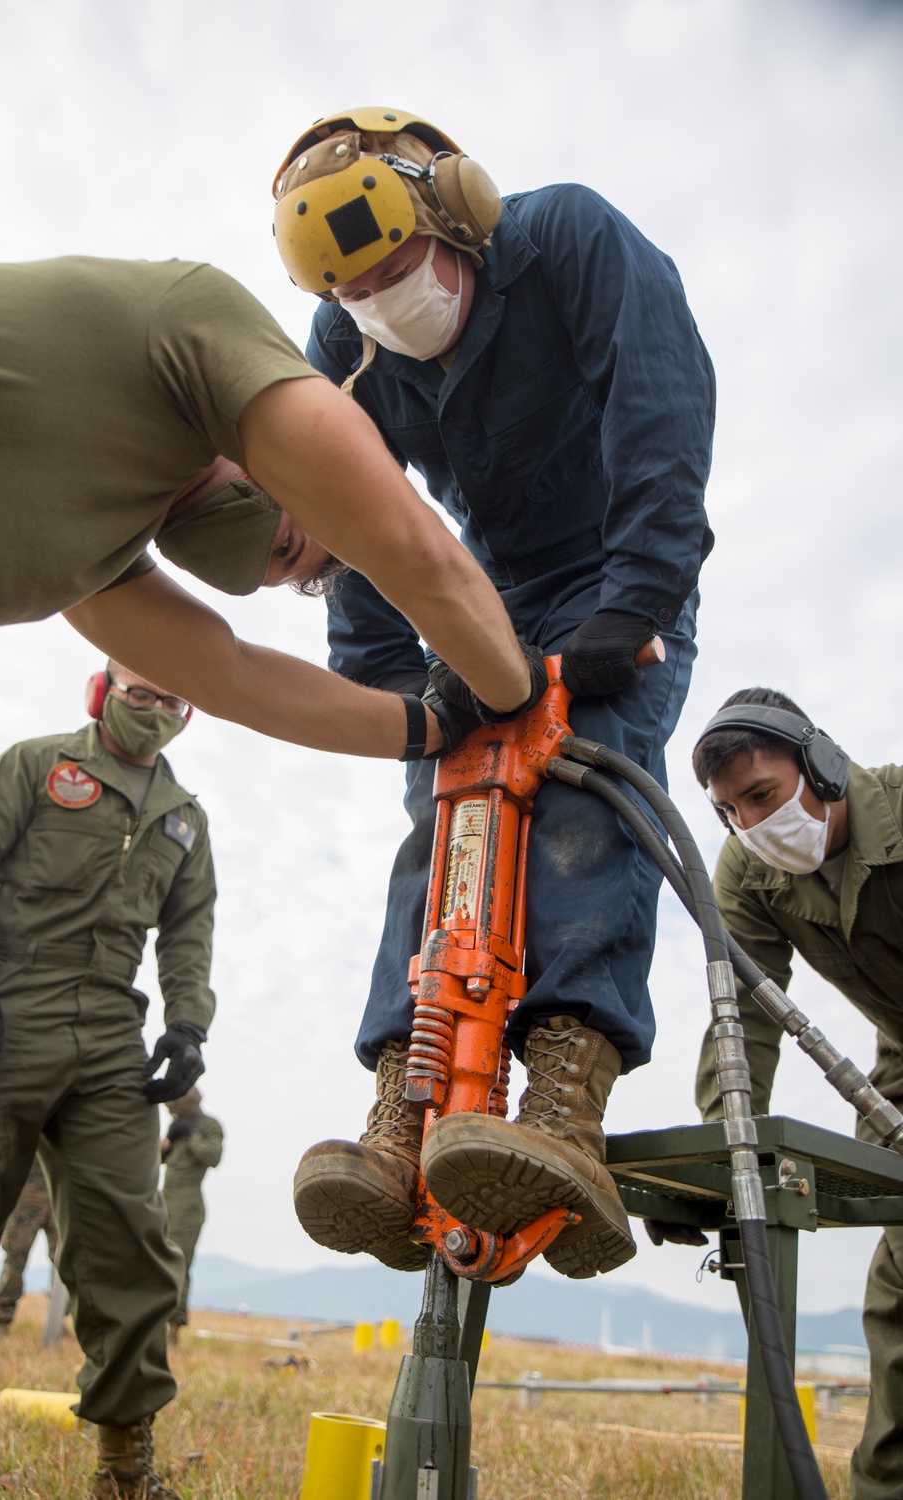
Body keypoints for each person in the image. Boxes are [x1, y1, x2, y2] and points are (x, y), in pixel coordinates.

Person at [271, 108, 716, 1278]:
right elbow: (357, 504)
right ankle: (401, 1106)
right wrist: (390, 687)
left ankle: (563, 1098)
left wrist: (641, 595)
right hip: (479, 595)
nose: (383, 305)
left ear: (454, 212)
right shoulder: (346, 343)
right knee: (444, 819)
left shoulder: (568, 239)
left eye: (401, 271)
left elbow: (659, 399)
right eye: (358, 292)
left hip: (612, 578)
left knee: (583, 792)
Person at [0, 250, 541, 764]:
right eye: (303, 526)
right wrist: (516, 693)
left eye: (283, 565)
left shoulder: (93, 570)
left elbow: (235, 680)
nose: (260, 560)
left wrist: (439, 727)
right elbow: (411, 551)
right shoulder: (174, 322)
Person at [0, 660, 219, 1498]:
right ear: (101, 689)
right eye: (140, 691)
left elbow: (188, 932)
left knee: (131, 1243)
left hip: (112, 1034)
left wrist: (188, 1025)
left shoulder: (184, 819)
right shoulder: (35, 766)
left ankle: (124, 1471)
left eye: (171, 698)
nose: (154, 709)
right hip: (0, 1014)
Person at [690, 686, 903, 1500]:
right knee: (900, 1282)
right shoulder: (748, 872)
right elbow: (743, 1015)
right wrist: (727, 1149)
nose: (749, 823)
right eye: (730, 810)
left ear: (821, 764)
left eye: (763, 796)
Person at [160, 1088, 224, 1346]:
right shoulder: (176, 1125)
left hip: (187, 1205)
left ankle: (173, 1329)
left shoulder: (209, 1126)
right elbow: (157, 1160)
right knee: (156, 1261)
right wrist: (168, 1140)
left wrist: (192, 1135)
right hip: (164, 1199)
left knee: (177, 1264)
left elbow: (213, 1156)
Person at [0, 1157, 59, 1334]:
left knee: (63, 1258)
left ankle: (57, 1319)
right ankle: (2, 1319)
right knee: (15, 1258)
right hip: (25, 1197)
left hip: (56, 1193)